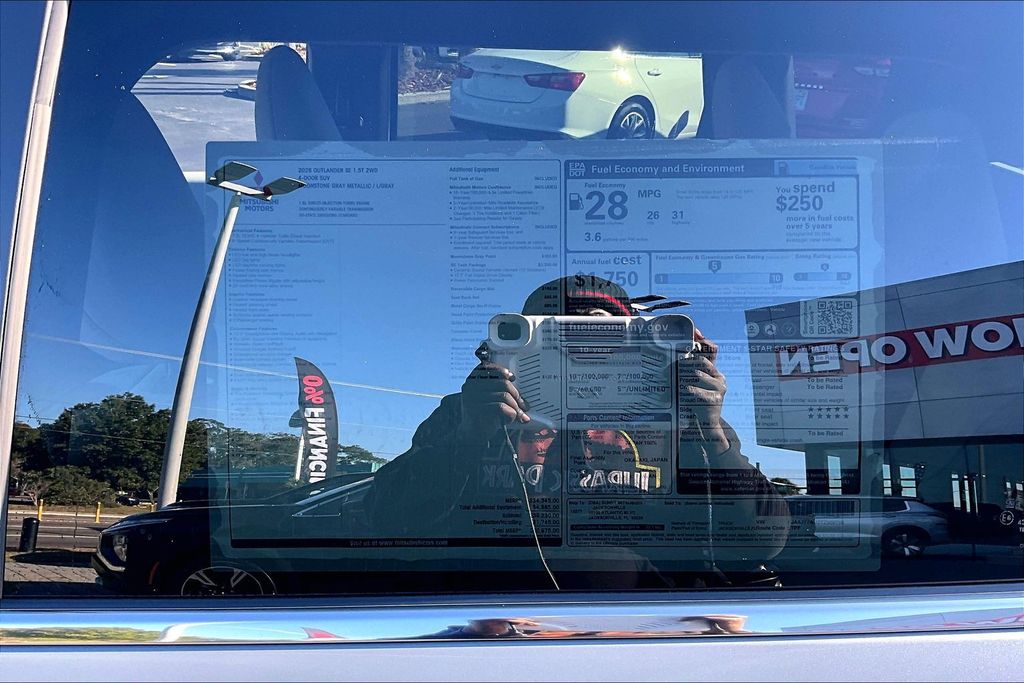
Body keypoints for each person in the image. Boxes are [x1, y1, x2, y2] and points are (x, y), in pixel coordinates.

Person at [367, 276, 789, 590]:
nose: (584, 355)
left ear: (640, 345)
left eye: (606, 339)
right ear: (511, 345)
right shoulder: (471, 410)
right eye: (558, 338)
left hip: (650, 630)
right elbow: (387, 520)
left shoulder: (679, 417)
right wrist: (469, 434)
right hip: (492, 627)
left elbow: (760, 541)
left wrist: (709, 429)